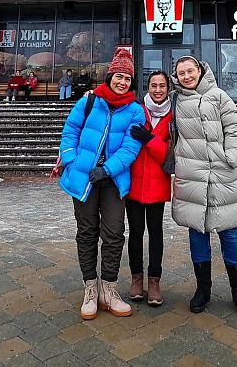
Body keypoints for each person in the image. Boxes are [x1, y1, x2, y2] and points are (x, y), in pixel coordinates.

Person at [58, 48, 145, 319]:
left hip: (113, 181)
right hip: (83, 177)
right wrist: (72, 161)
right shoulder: (88, 102)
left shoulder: (135, 111)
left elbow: (131, 148)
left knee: (114, 233)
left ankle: (109, 288)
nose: (122, 82)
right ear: (110, 77)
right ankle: (90, 290)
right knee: (87, 233)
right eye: (119, 77)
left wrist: (107, 169)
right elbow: (70, 131)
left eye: (127, 79)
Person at [171, 55, 237, 316]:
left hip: (221, 173)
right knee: (197, 232)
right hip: (191, 175)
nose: (186, 76)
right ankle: (203, 289)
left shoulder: (218, 96)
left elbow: (235, 129)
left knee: (229, 232)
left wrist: (232, 157)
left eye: (190, 70)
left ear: (200, 70)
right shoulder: (175, 100)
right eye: (181, 72)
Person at [125, 71, 173, 306]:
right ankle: (136, 278)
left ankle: (154, 281)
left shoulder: (173, 117)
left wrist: (149, 139)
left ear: (167, 88)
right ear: (148, 87)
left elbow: (168, 156)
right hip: (133, 183)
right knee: (134, 233)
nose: (157, 90)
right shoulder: (135, 111)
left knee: (155, 233)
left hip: (157, 184)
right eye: (153, 85)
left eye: (162, 86)